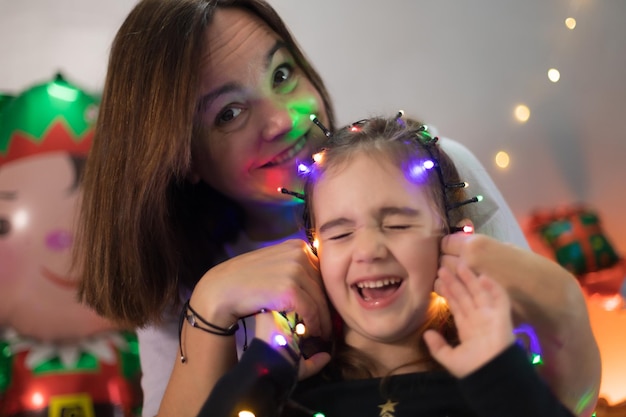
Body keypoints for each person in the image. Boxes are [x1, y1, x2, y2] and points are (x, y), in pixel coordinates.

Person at [73, 1, 600, 416]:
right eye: (230, 113)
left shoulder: (435, 167)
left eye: (281, 74)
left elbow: (566, 396)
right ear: (178, 153)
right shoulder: (177, 269)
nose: (283, 118)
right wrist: (211, 303)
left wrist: (560, 301)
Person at [197, 115, 580, 417]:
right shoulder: (288, 391)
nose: (368, 251)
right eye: (340, 234)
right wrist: (265, 369)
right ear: (316, 256)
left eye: (396, 224)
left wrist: (499, 372)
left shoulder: (493, 378)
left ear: (451, 237)